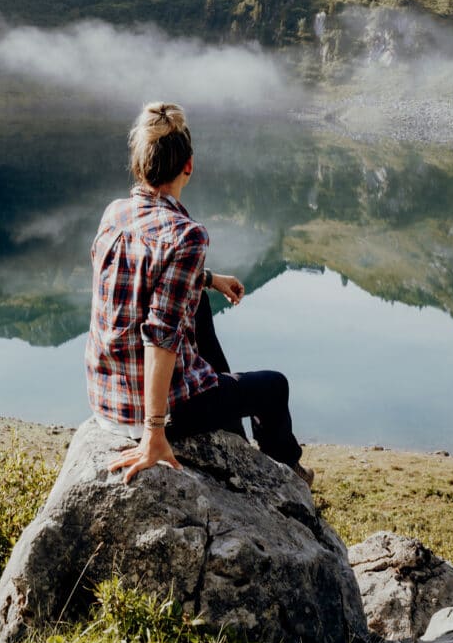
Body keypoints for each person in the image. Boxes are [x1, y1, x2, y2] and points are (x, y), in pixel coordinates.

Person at [85, 101, 313, 488]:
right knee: (275, 387)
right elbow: (160, 336)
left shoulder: (115, 214)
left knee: (200, 303)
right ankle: (286, 476)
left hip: (107, 398)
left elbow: (143, 276)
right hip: (155, 412)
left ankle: (230, 425)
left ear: (139, 165)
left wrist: (208, 279)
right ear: (188, 165)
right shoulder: (186, 234)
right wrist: (154, 434)